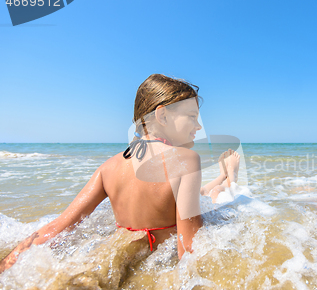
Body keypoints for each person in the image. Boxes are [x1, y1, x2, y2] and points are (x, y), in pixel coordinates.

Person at [0, 74, 239, 273]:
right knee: (216, 199)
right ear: (162, 115)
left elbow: (58, 227)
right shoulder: (185, 159)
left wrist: (8, 263)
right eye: (192, 117)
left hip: (124, 264)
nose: (198, 126)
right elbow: (189, 246)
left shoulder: (109, 166)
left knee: (206, 193)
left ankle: (222, 178)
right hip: (157, 266)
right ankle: (228, 180)